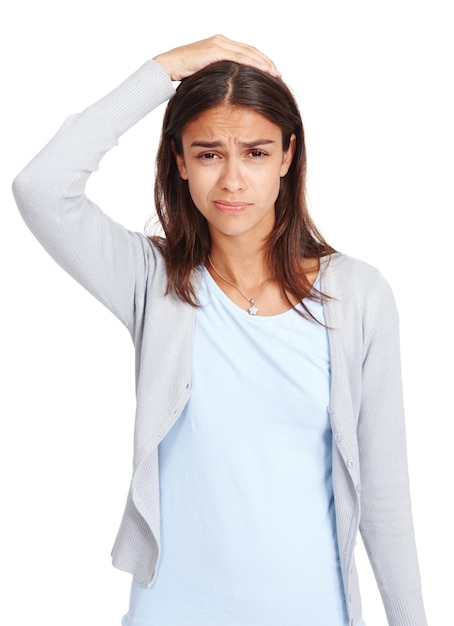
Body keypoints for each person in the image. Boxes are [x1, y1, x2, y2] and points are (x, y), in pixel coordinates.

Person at [12, 35, 427, 626]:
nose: (232, 180)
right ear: (179, 162)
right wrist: (164, 70)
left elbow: (385, 495)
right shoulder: (153, 282)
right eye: (208, 153)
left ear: (288, 156)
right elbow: (41, 187)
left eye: (255, 153)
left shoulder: (357, 296)